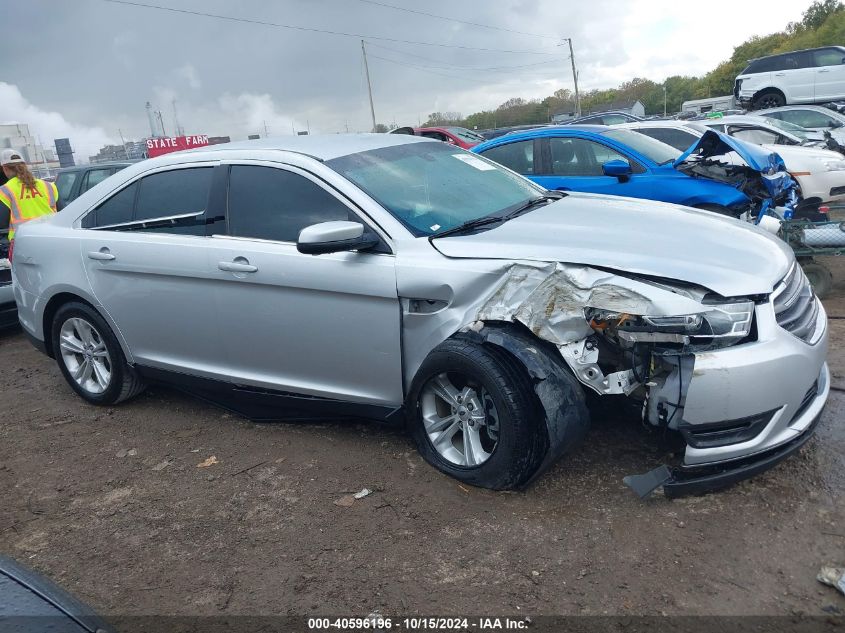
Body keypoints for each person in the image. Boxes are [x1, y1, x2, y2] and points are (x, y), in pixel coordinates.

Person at [0, 149, 58, 244]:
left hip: (23, 241)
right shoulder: (49, 186)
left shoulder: (4, 190)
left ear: (5, 169)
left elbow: (2, 222)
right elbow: (63, 210)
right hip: (52, 237)